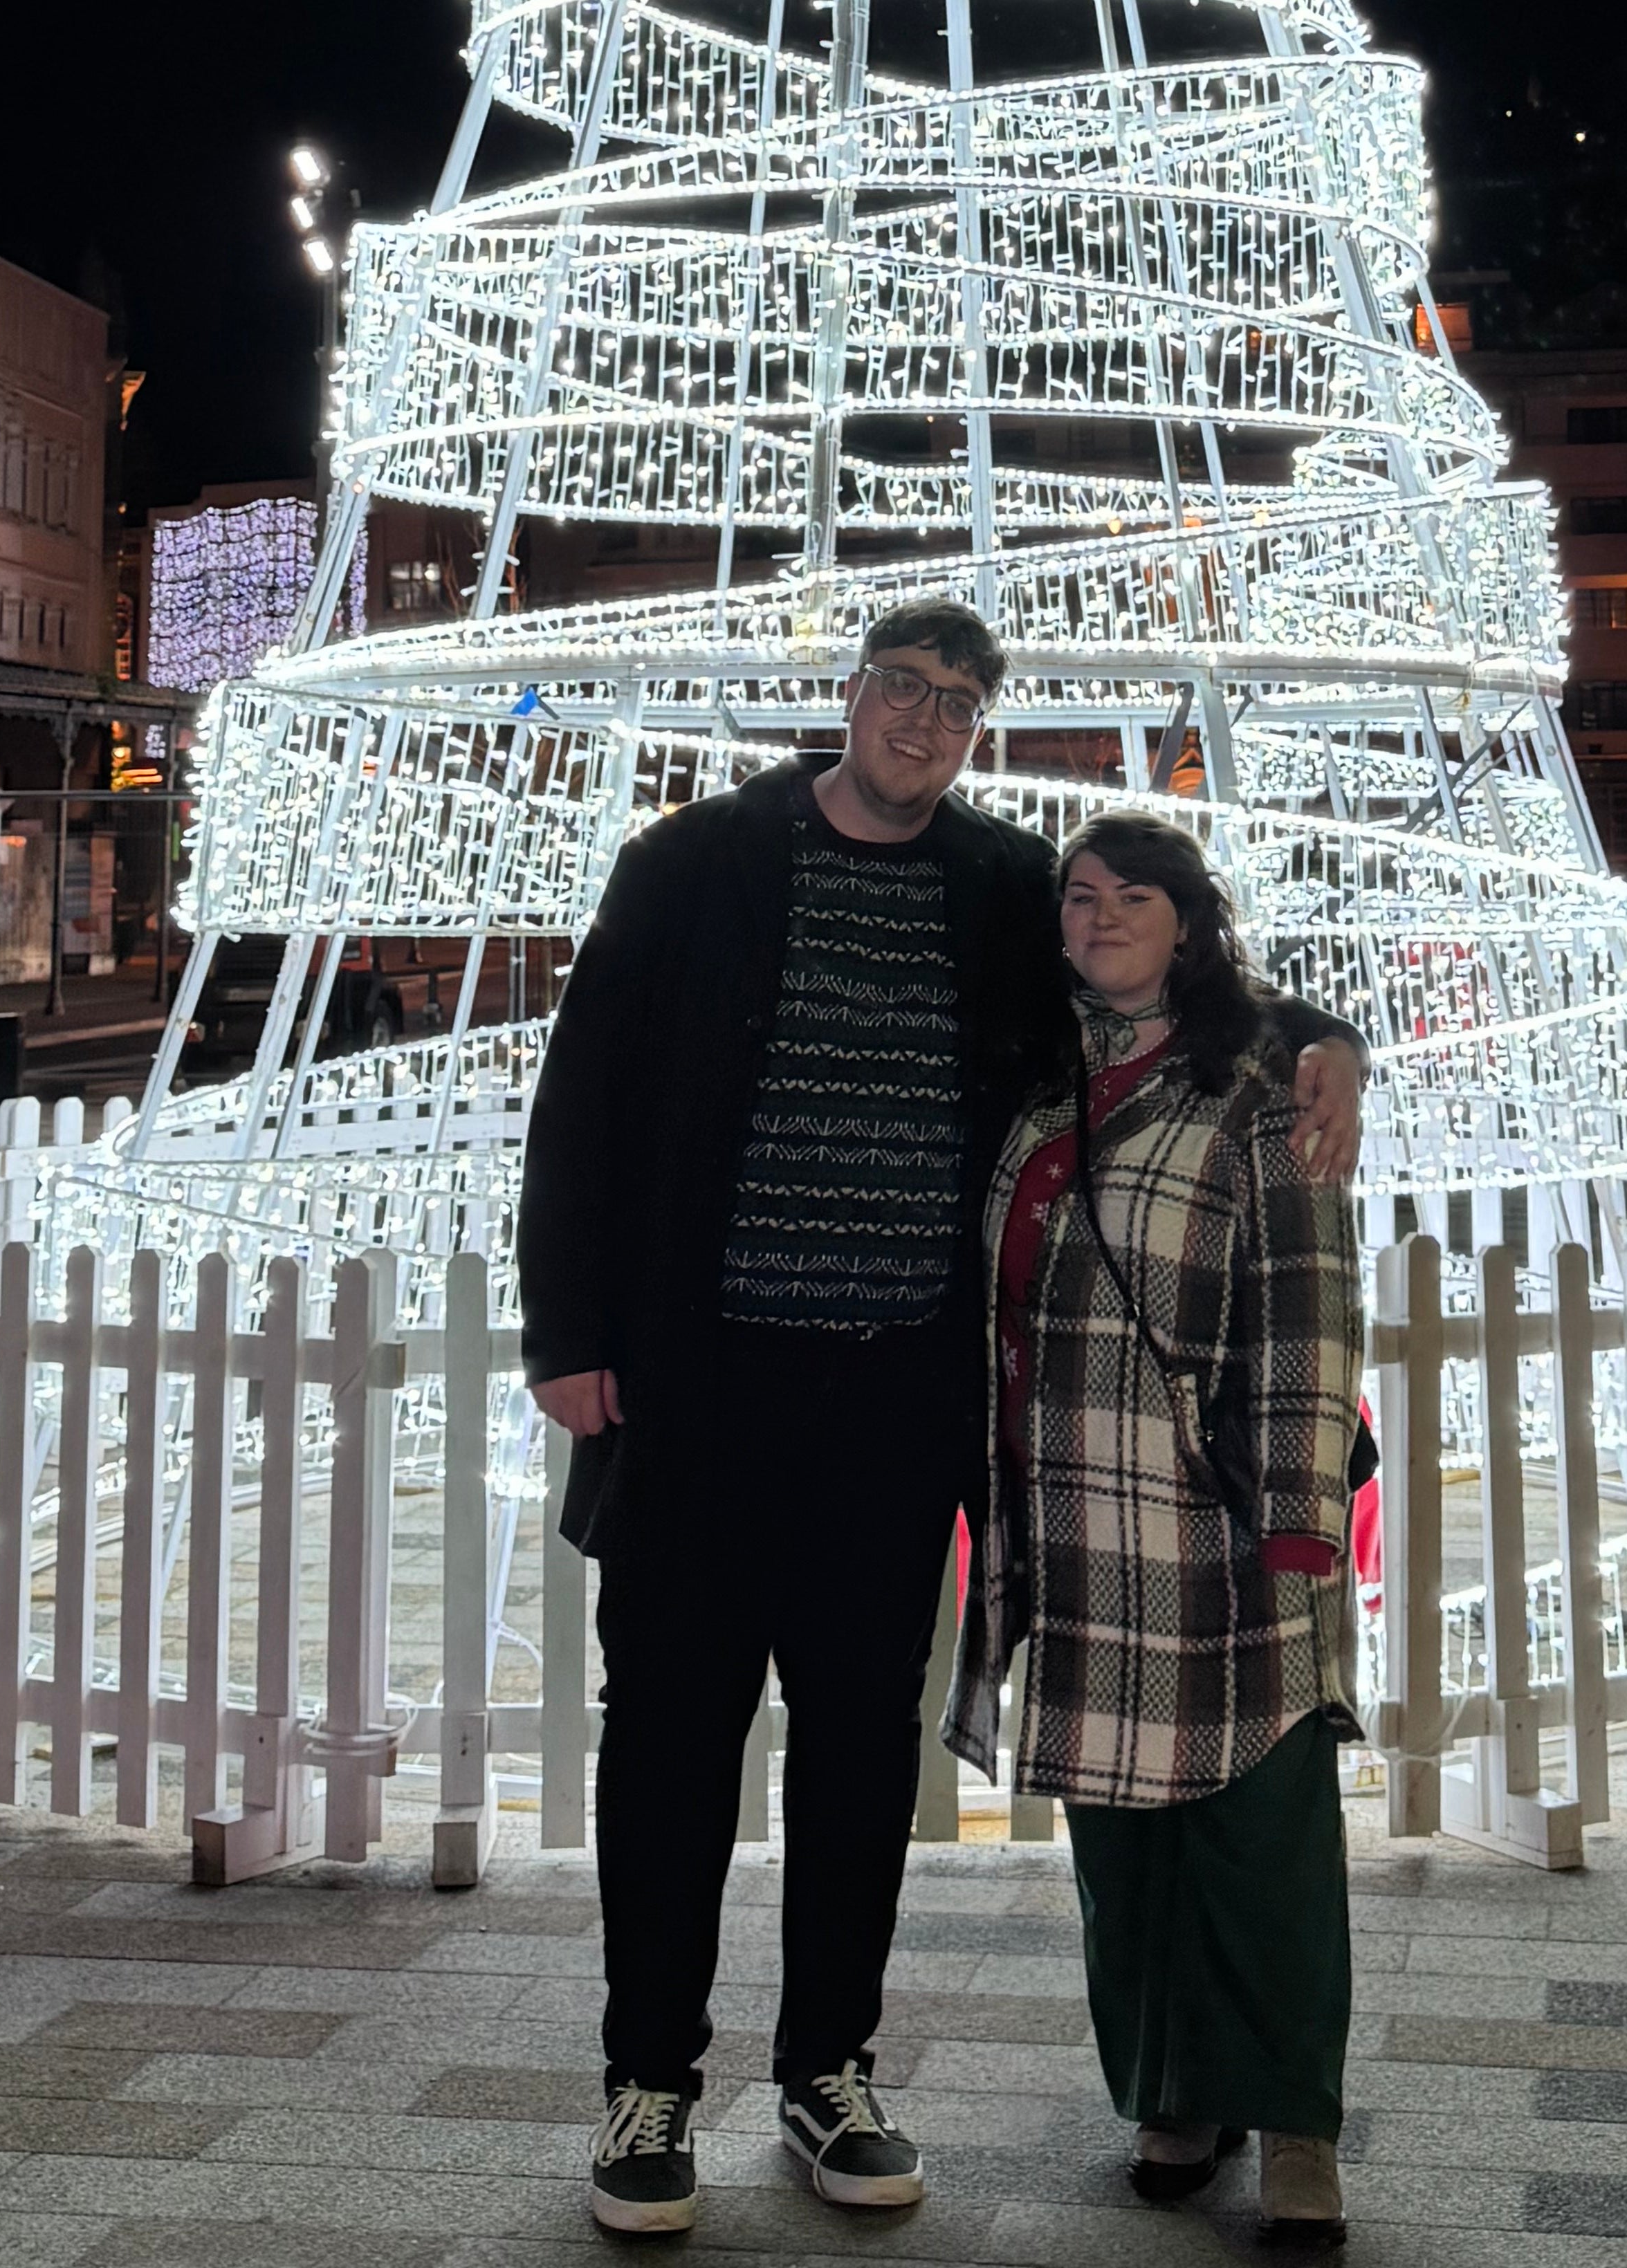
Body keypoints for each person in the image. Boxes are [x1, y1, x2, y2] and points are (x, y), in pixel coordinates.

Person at [515, 601, 1365, 2239]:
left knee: (856, 1749)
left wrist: (1323, 1038)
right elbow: (586, 1101)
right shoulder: (691, 863)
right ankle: (650, 2082)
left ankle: (830, 2071)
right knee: (673, 1738)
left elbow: (1162, 982)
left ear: (976, 729)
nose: (921, 721)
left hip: (893, 1401)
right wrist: (570, 1336)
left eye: (956, 703)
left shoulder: (993, 886)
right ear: (850, 699)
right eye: (899, 690)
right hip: (699, 1392)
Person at [946, 816, 1363, 2253]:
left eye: (1136, 895)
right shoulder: (1026, 1067)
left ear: (1188, 921)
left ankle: (1298, 2120)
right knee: (1122, 1849)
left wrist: (1302, 1525)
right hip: (1069, 1518)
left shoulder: (1263, 1089)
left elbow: (1311, 1319)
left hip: (1220, 1523)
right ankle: (1174, 2092)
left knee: (1264, 1836)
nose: (1102, 913)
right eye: (1081, 894)